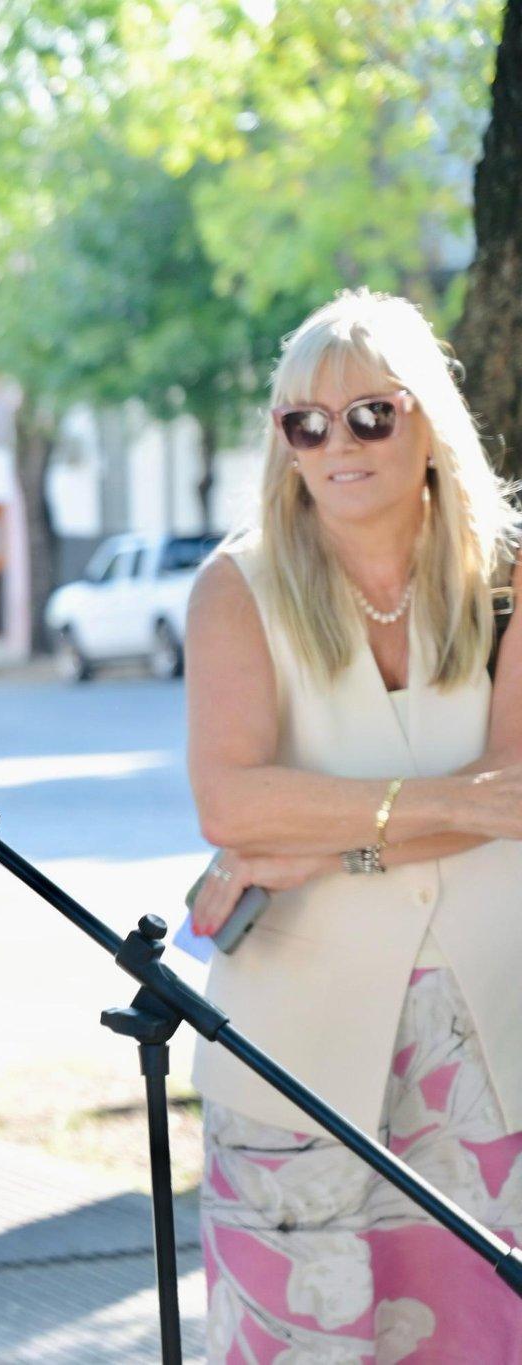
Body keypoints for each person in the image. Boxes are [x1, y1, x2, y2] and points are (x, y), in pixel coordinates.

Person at [184, 288, 522, 1360]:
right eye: (304, 423)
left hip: (495, 1039)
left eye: (370, 414)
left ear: (427, 422)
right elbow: (230, 805)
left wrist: (317, 842)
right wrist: (443, 802)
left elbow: (514, 791)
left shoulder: (508, 575)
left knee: (478, 1333)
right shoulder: (232, 588)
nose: (337, 444)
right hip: (288, 1045)